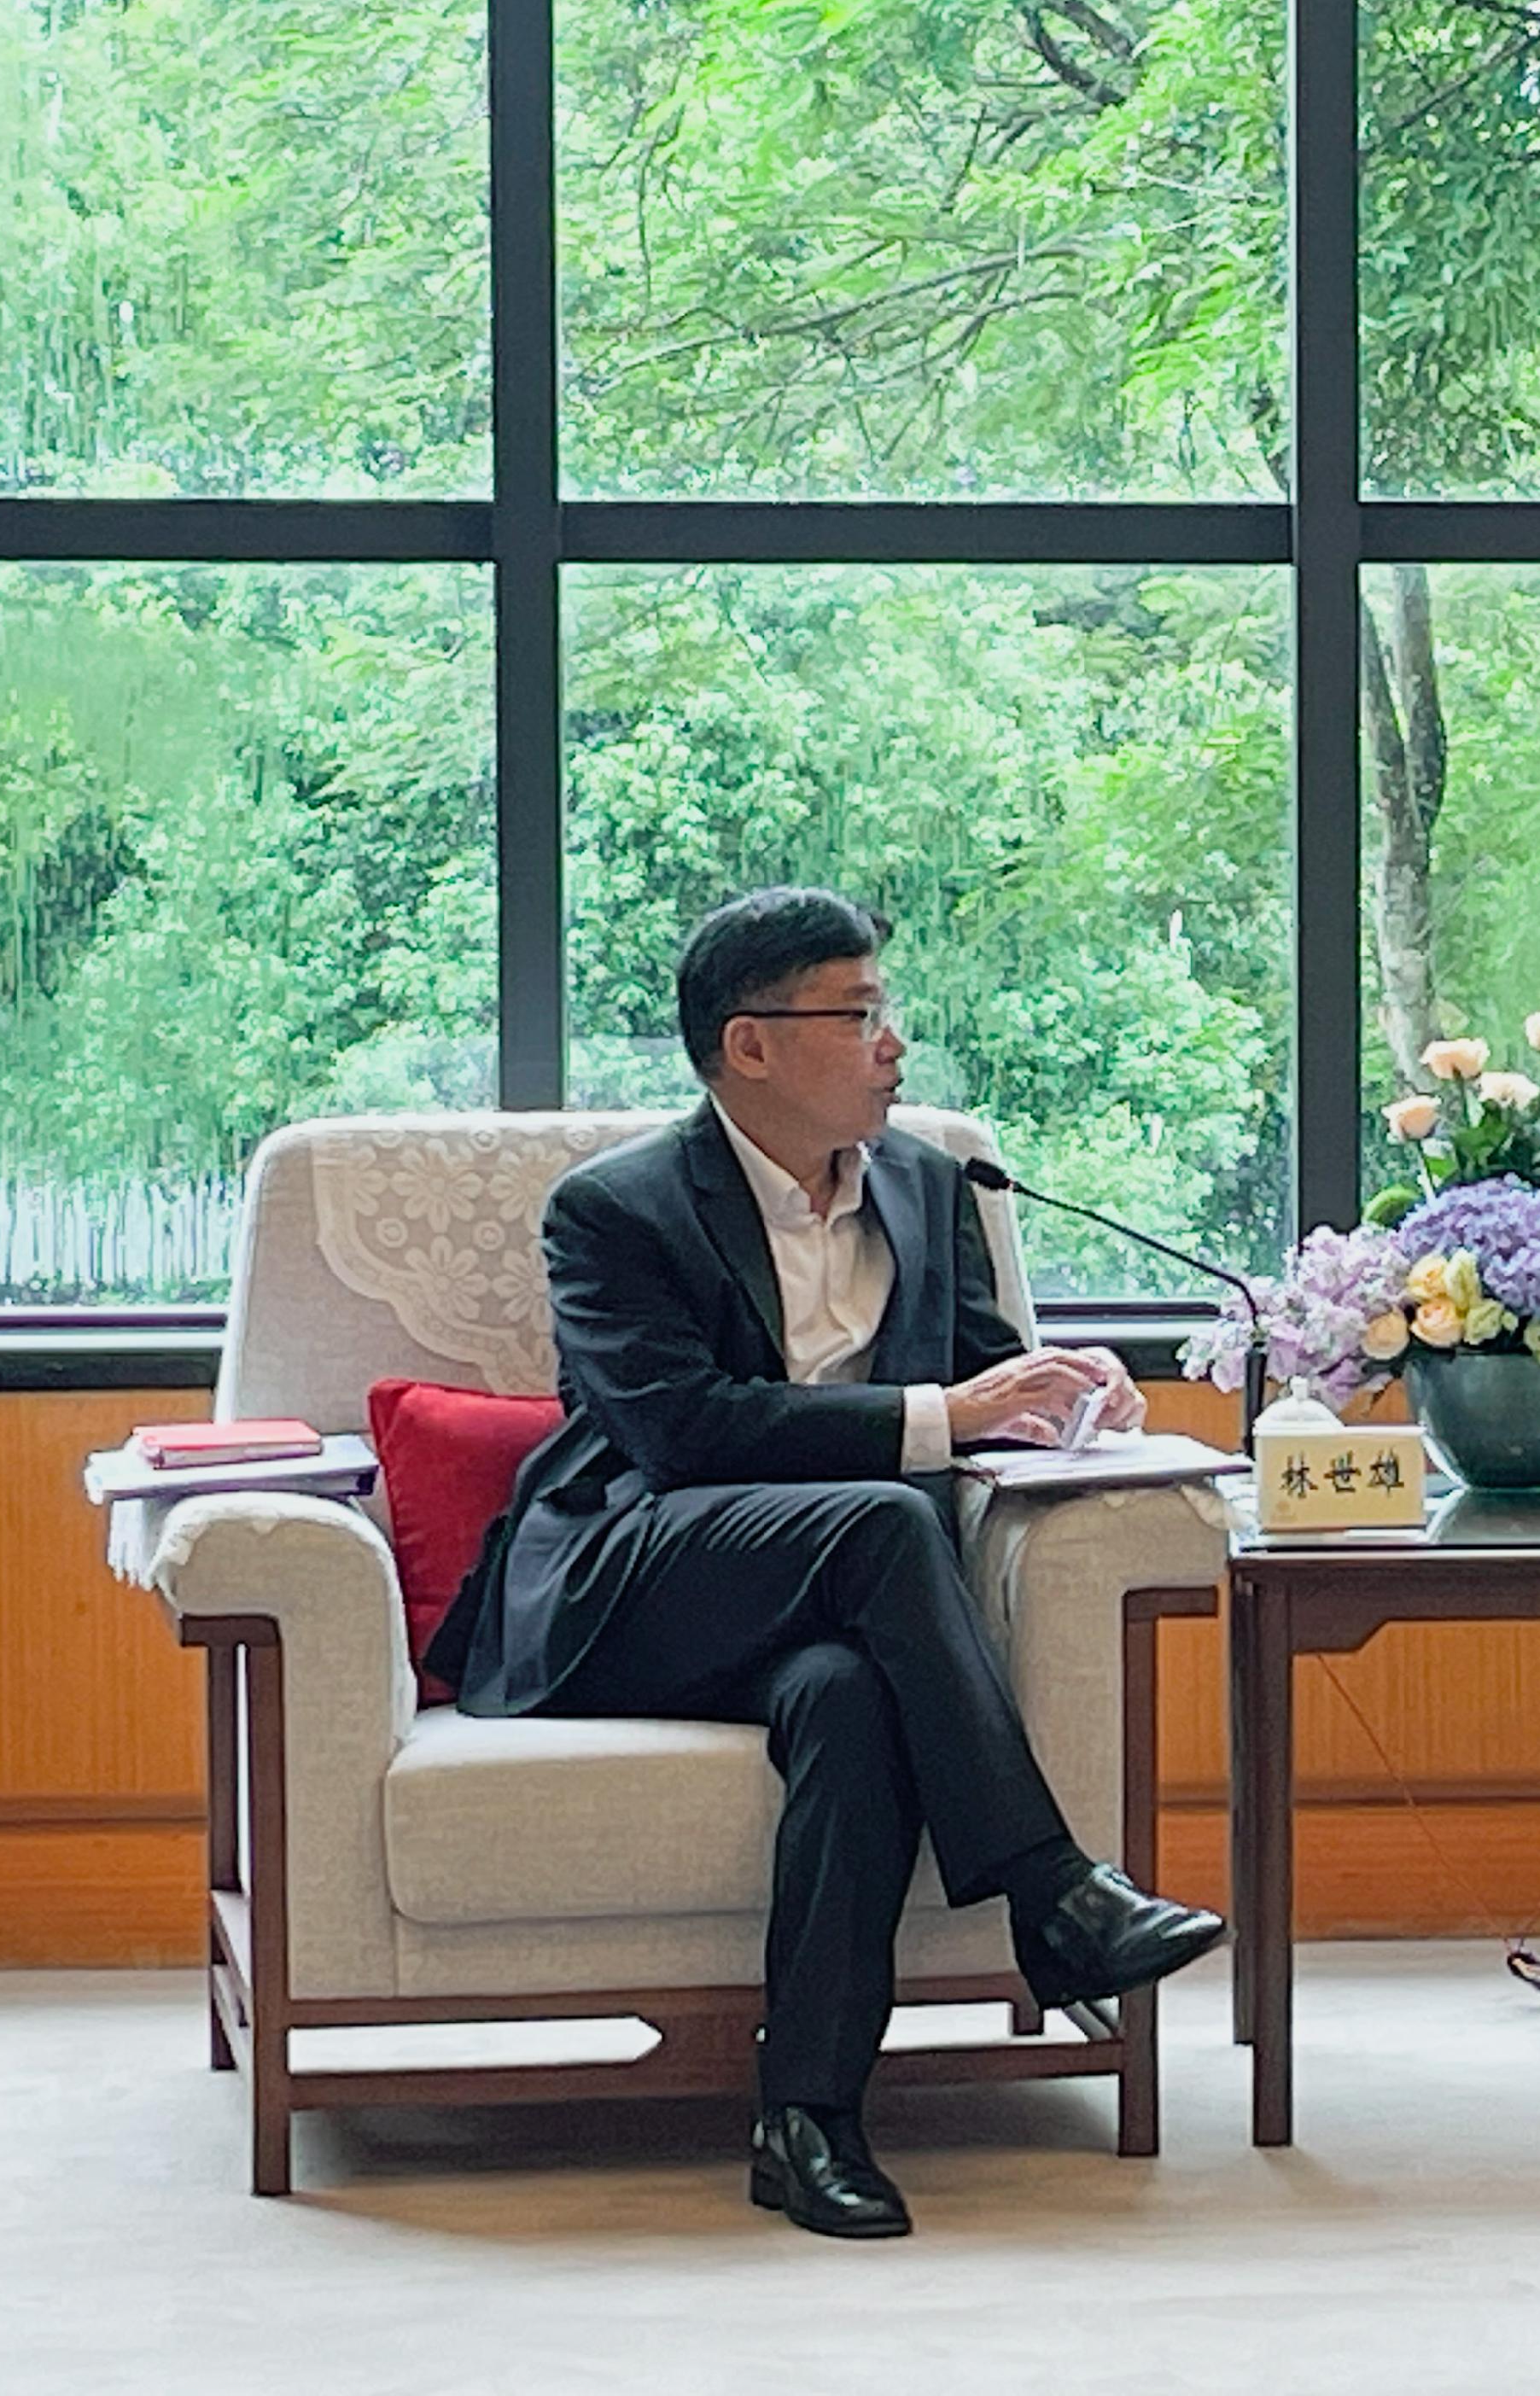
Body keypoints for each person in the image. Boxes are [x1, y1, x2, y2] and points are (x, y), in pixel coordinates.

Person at [423, 887, 1226, 2238]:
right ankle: (1050, 1893)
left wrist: (1069, 1394)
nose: (892, 1043)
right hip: (633, 1580)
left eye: (884, 1012)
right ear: (751, 1045)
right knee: (887, 1517)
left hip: (852, 1598)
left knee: (850, 1701)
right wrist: (941, 1421)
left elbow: (976, 1378)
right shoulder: (615, 1212)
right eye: (857, 1015)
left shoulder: (926, 1182)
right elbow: (676, 1435)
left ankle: (808, 2120)